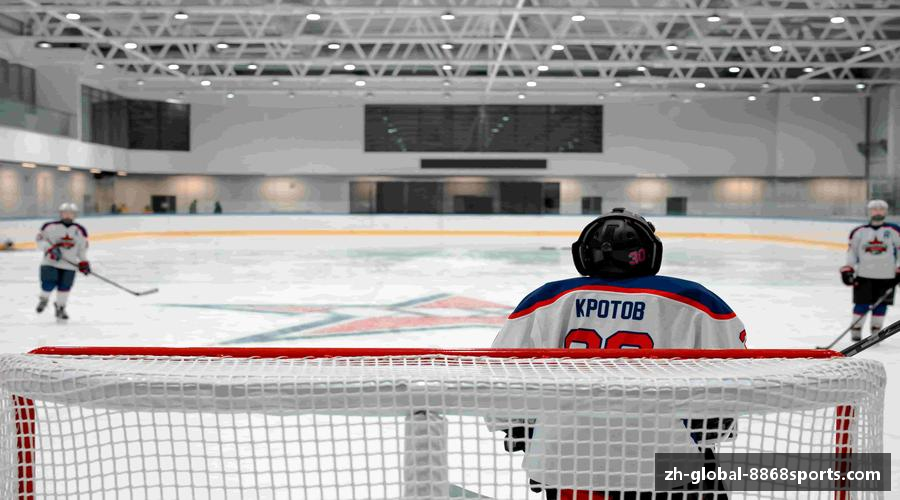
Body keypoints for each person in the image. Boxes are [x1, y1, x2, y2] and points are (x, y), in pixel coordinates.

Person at [490, 208, 746, 499]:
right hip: (665, 457)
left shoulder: (545, 299)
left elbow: (501, 374)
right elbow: (729, 382)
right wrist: (708, 433)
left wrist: (522, 432)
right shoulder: (697, 301)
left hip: (563, 459)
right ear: (648, 252)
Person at [841, 199, 900, 341]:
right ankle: (856, 330)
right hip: (864, 275)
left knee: (881, 305)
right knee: (861, 304)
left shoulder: (894, 230)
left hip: (887, 276)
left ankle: (876, 331)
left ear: (886, 212)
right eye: (874, 209)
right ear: (869, 211)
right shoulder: (859, 232)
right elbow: (852, 252)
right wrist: (848, 268)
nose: (878, 212)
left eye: (881, 209)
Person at [35, 203, 90, 320]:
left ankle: (60, 307)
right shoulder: (49, 227)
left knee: (65, 287)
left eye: (71, 213)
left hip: (69, 265)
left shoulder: (80, 230)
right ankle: (44, 299)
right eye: (65, 213)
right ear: (60, 214)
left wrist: (84, 262)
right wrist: (49, 249)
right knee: (48, 283)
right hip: (50, 263)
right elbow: (40, 241)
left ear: (75, 215)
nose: (68, 215)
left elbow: (82, 249)